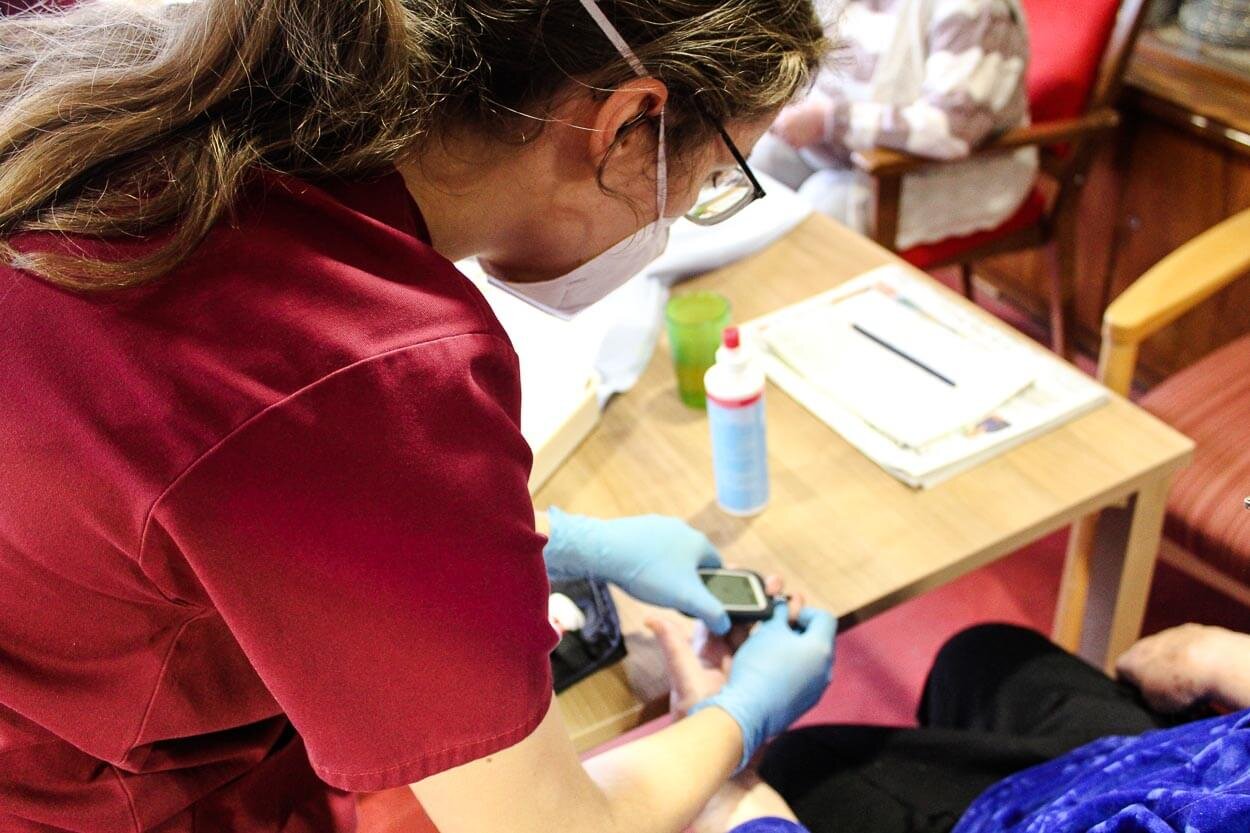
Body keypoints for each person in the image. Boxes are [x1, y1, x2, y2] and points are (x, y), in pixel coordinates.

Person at [0, 2, 839, 832]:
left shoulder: (175, 112)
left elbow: (236, 500)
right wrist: (739, 714)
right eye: (713, 179)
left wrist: (555, 543)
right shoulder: (371, 366)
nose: (685, 210)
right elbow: (547, 827)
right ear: (625, 125)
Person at [650, 620, 1250, 833]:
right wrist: (1216, 653)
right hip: (1173, 763)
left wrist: (723, 784)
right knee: (985, 654)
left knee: (799, 768)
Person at [751, 0, 1038, 250]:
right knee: (758, 163)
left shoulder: (977, 10)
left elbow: (951, 130)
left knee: (824, 204)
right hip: (857, 148)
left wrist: (830, 120)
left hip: (953, 168)